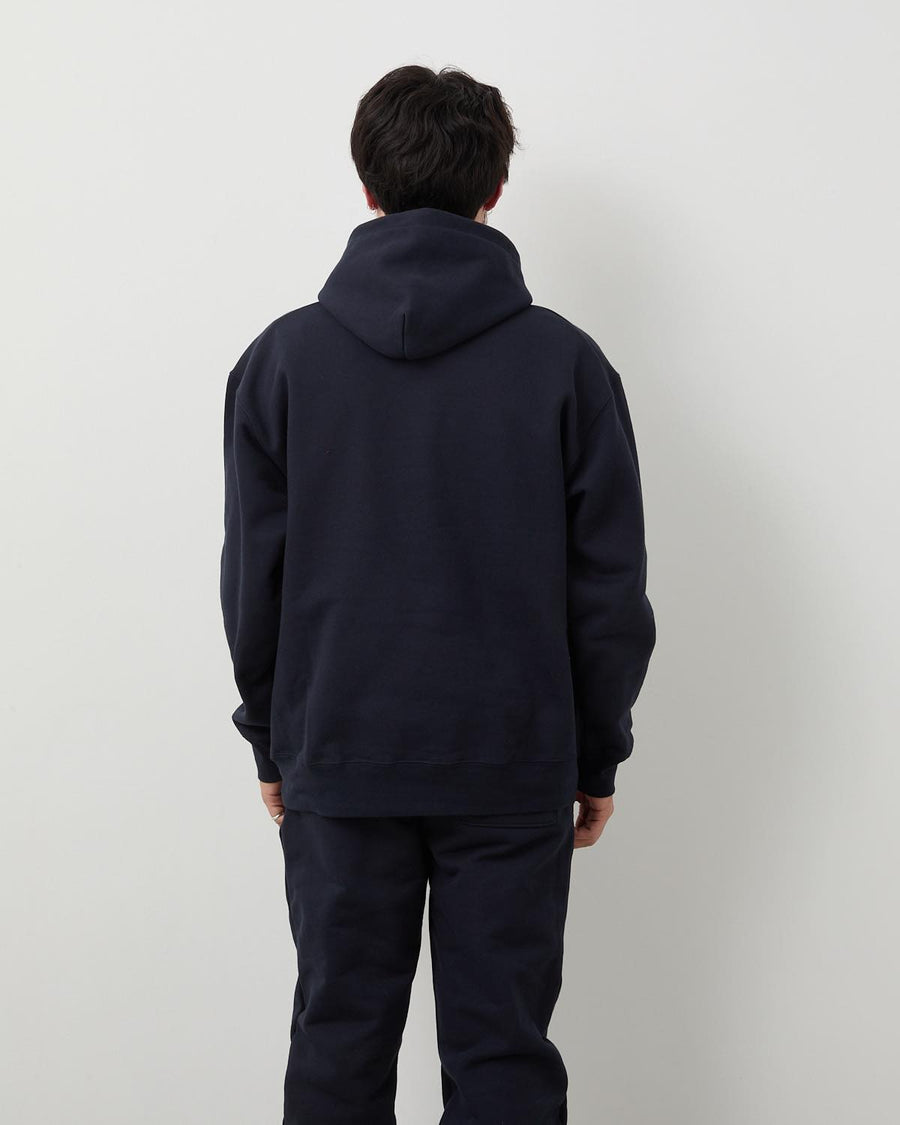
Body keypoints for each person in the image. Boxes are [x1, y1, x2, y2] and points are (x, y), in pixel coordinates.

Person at [220, 63, 656, 1125]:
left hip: (339, 755)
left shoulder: (282, 362)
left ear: (365, 184)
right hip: (512, 761)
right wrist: (595, 753)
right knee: (504, 1052)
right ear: (494, 188)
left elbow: (252, 579)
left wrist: (273, 737)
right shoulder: (567, 366)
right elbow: (608, 587)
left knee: (337, 1040)